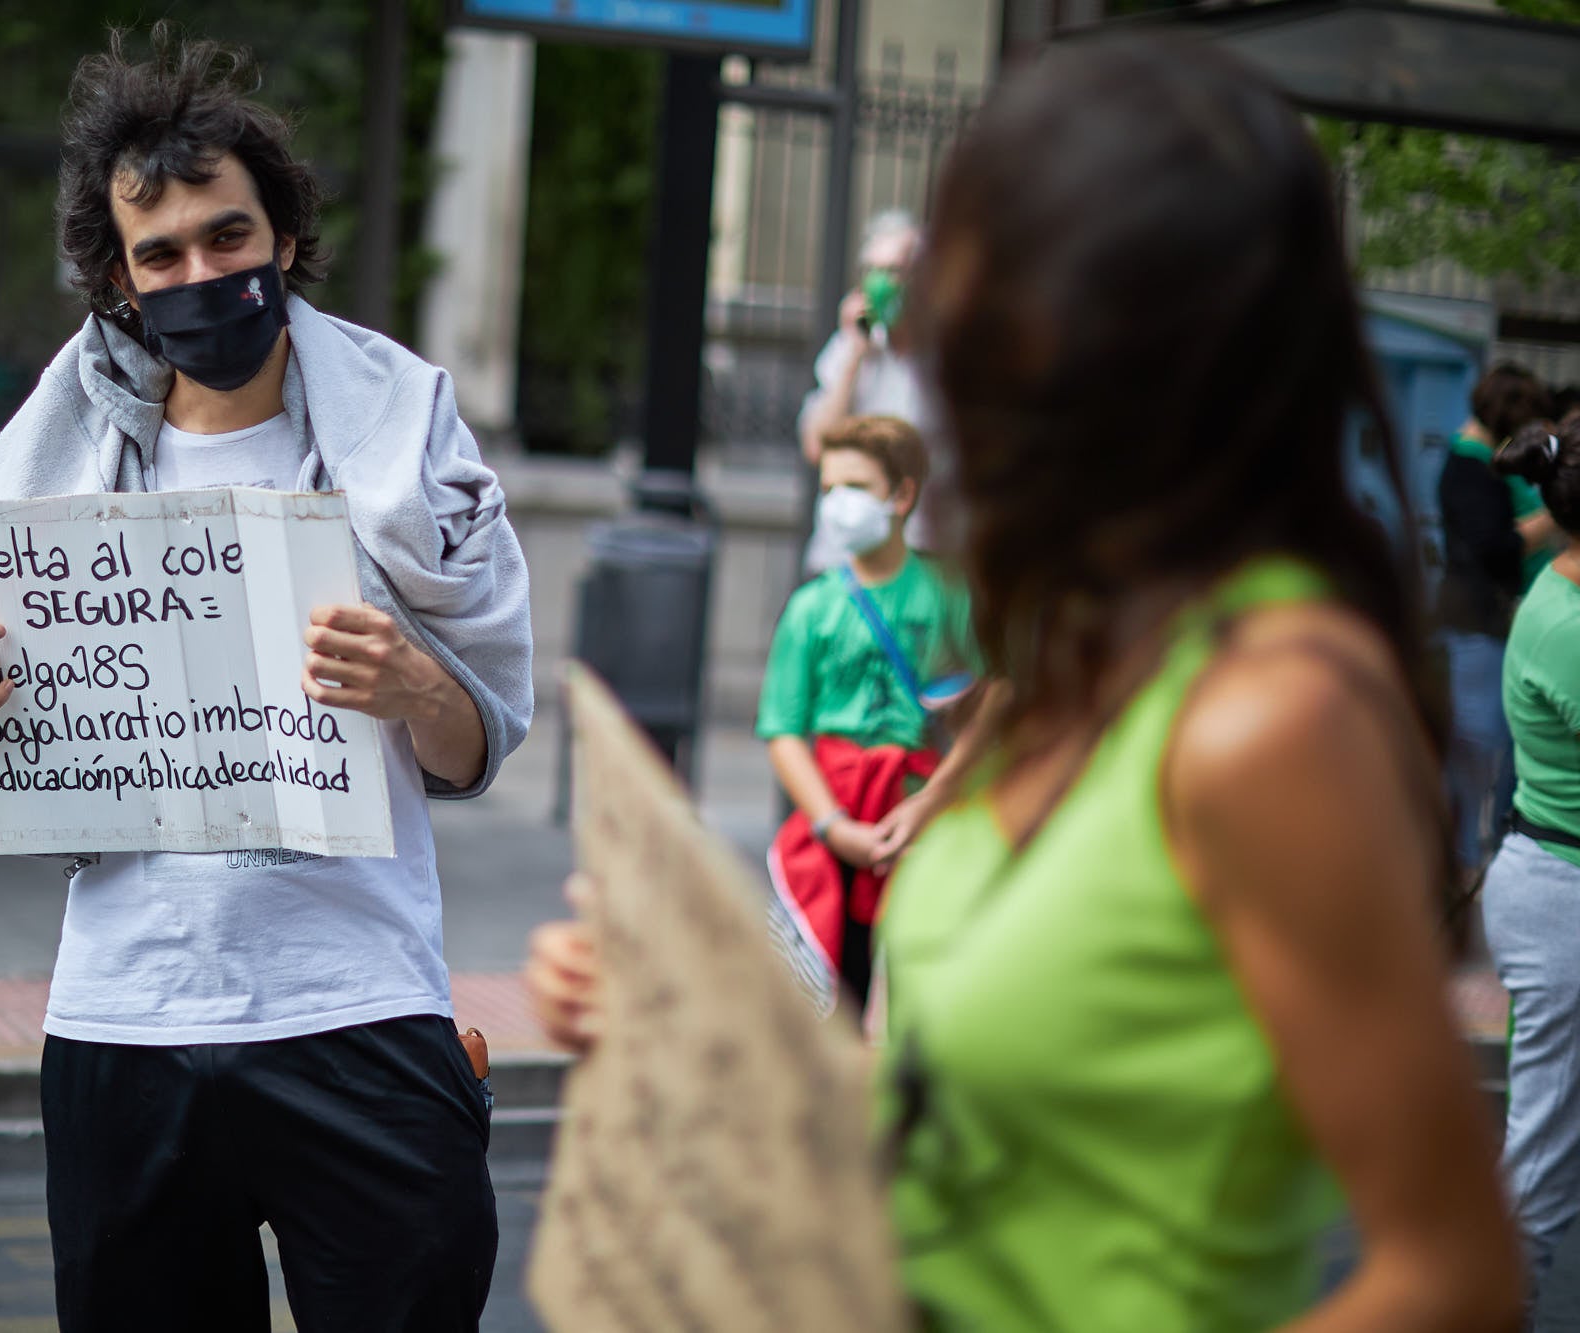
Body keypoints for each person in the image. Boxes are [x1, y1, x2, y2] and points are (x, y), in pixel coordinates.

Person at [528, 36, 1519, 1331]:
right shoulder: (1078, 651)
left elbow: (1452, 1275)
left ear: (1121, 345)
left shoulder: (1273, 714)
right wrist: (691, 1044)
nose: (931, 356)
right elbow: (974, 1127)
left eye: (973, 309)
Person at [0, 27, 531, 1333]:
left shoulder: (405, 454)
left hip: (359, 1009)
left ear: (284, 239)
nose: (203, 274)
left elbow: (482, 742)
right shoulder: (49, 488)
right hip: (122, 1020)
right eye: (163, 254)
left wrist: (418, 682)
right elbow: (16, 743)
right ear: (120, 282)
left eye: (228, 237)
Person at [758, 414, 974, 1012]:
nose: (837, 505)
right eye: (828, 490)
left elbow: (995, 707)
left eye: (855, 487)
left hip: (924, 824)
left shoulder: (951, 595)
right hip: (833, 833)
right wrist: (833, 827)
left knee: (923, 997)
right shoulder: (811, 608)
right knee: (831, 995)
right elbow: (783, 730)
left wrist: (931, 803)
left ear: (902, 495)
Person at [1482, 413, 1580, 1299]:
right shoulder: (1571, 627)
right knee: (1542, 1162)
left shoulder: (1561, 586)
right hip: (1561, 895)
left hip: (1550, 878)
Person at [1439, 363, 1553, 874]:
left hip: (1489, 621)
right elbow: (1495, 548)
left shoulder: (1480, 460)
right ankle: (1460, 861)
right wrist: (1554, 518)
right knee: (1475, 748)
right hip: (1476, 621)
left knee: (1493, 744)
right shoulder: (1470, 466)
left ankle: (1477, 855)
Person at [797, 210, 940, 570]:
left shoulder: (943, 359)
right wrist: (854, 353)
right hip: (847, 554)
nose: (881, 283)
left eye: (893, 270)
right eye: (872, 270)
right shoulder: (851, 350)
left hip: (920, 553)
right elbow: (816, 444)